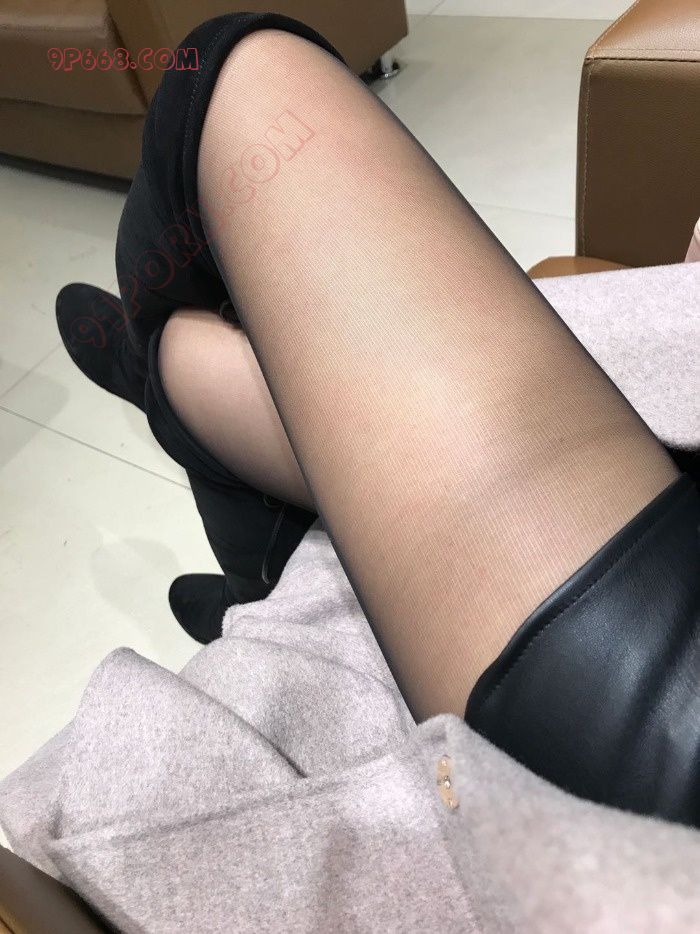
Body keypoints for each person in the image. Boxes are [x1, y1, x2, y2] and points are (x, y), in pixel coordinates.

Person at [56, 13, 698, 827]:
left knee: (232, 73)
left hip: (661, 743)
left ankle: (169, 396)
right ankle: (221, 471)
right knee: (220, 359)